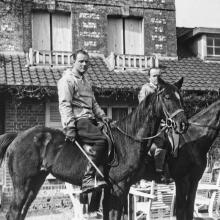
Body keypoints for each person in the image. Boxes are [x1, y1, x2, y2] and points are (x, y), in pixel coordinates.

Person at [57, 49, 111, 194]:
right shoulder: (67, 80)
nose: (84, 64)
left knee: (112, 135)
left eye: (86, 61)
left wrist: (103, 116)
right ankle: (87, 179)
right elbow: (64, 104)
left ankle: (102, 174)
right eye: (81, 61)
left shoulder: (86, 82)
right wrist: (70, 126)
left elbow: (93, 104)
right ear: (73, 61)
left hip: (90, 119)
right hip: (78, 120)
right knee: (101, 140)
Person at [138, 68, 170, 183]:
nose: (157, 78)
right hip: (148, 124)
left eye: (158, 76)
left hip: (160, 125)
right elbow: (143, 107)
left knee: (169, 143)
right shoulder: (145, 89)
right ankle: (151, 173)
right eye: (154, 76)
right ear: (149, 77)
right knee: (152, 145)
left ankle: (162, 170)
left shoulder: (162, 89)